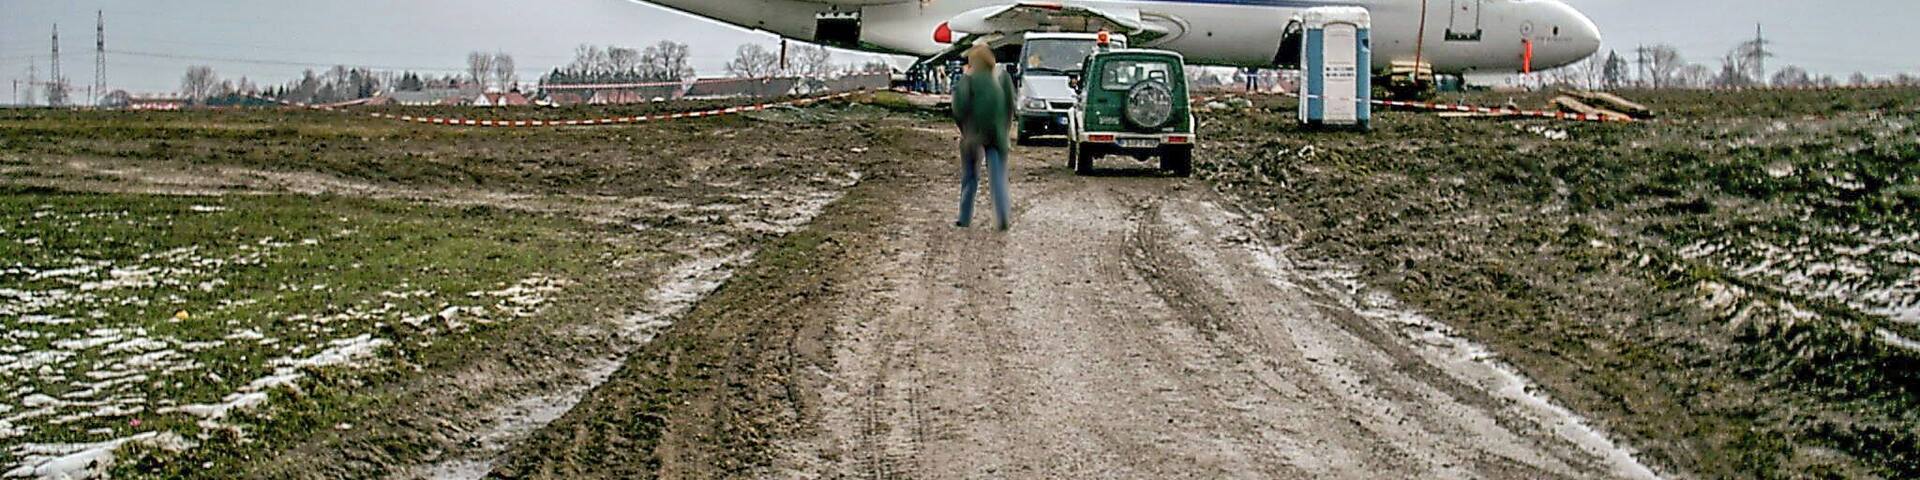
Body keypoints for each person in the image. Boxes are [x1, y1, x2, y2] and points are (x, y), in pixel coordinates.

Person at [951, 42, 1016, 231]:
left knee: (970, 177)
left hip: (973, 135)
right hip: (997, 134)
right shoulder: (1003, 77)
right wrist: (1005, 129)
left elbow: (959, 107)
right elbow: (1010, 106)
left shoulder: (969, 79)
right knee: (997, 177)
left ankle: (964, 217)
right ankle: (1002, 217)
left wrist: (964, 129)